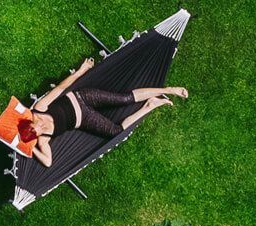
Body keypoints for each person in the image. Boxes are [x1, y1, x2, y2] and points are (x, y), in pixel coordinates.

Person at [22, 57, 188, 167]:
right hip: (84, 119)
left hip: (83, 98)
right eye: (40, 131)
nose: (43, 127)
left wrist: (82, 70)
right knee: (115, 131)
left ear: (32, 120)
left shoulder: (40, 107)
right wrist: (30, 148)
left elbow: (61, 88)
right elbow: (48, 162)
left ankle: (169, 90)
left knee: (124, 99)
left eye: (38, 125)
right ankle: (150, 105)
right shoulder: (43, 140)